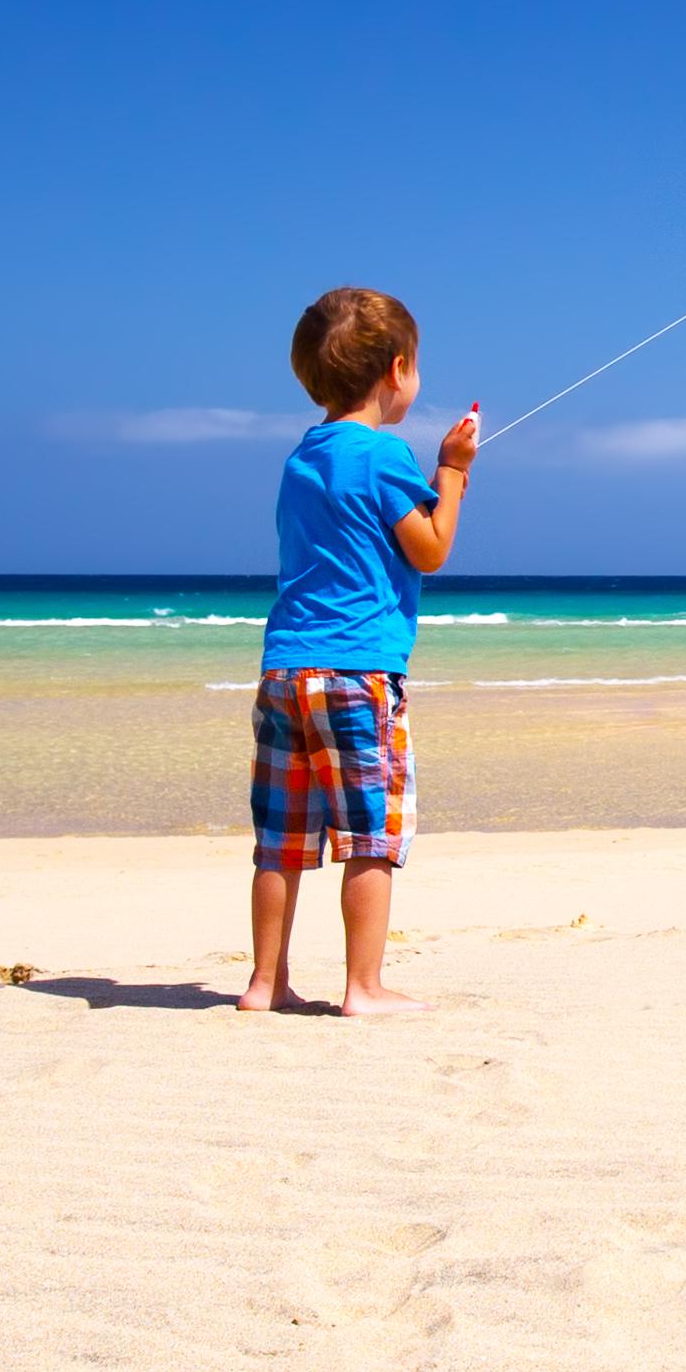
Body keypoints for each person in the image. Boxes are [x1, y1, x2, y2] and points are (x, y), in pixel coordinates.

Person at [241, 283, 475, 1017]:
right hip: (358, 671)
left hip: (284, 669)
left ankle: (264, 983)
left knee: (281, 837)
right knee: (370, 835)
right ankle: (363, 988)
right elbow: (430, 549)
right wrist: (455, 472)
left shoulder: (300, 459)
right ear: (397, 369)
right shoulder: (384, 456)